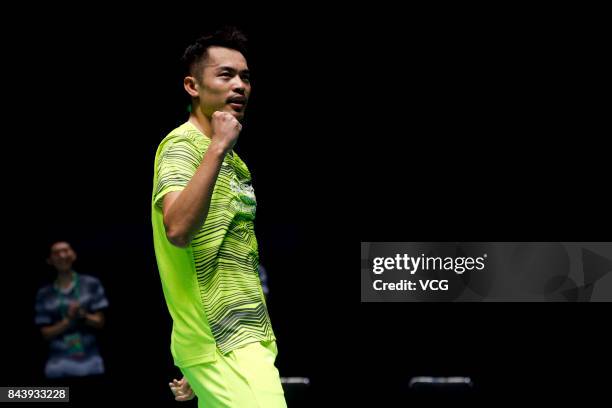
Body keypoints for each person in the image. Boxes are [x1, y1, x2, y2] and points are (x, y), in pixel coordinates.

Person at [151, 26, 286, 407]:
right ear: (193, 86)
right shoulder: (183, 146)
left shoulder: (233, 161)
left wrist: (202, 370)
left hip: (243, 338)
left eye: (245, 76)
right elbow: (176, 228)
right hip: (222, 344)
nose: (240, 85)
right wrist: (218, 146)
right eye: (225, 75)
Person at [34, 241, 108, 380]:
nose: (62, 255)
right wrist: (68, 320)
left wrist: (83, 315)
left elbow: (100, 323)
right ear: (49, 260)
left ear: (73, 255)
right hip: (57, 368)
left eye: (66, 250)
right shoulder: (44, 294)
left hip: (92, 366)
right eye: (57, 253)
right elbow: (44, 334)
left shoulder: (91, 284)